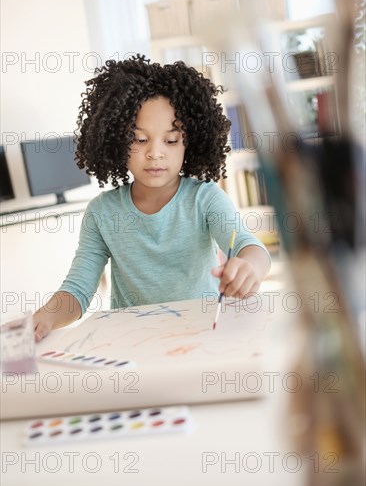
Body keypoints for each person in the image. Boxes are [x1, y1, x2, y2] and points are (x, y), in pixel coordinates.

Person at [33, 55, 271, 341]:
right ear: (116, 139)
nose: (155, 153)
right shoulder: (102, 213)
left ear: (190, 142)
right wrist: (45, 317)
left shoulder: (205, 198)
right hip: (133, 344)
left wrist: (250, 267)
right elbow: (78, 290)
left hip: (202, 334)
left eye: (171, 141)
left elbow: (250, 246)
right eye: (139, 139)